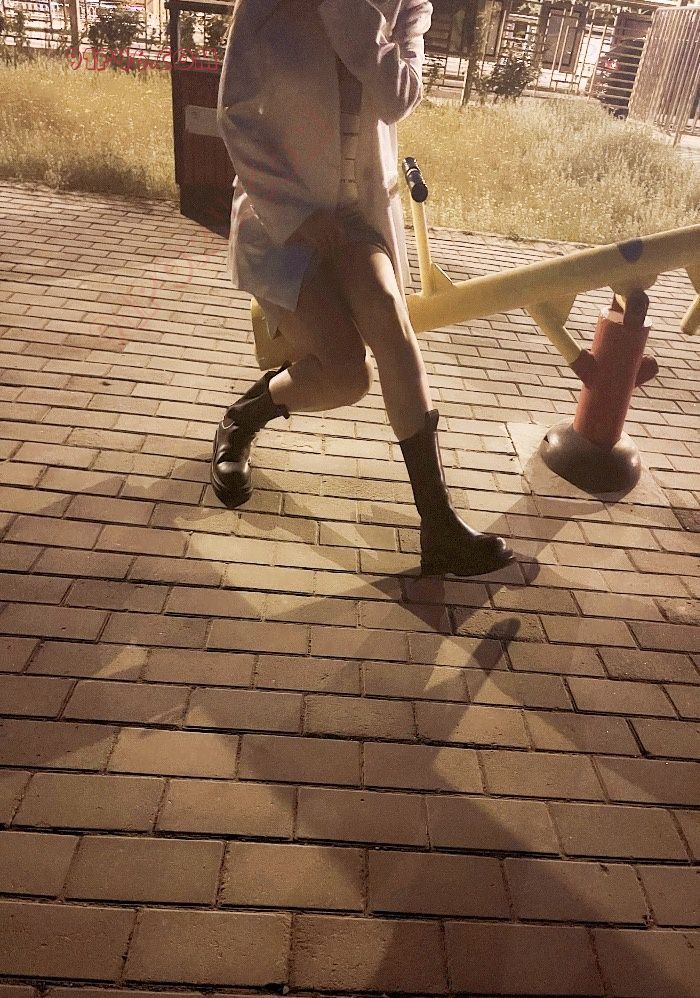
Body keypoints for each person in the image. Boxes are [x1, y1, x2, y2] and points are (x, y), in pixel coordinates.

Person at [214, 0, 514, 577]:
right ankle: (244, 417)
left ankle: (439, 527)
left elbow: (398, 98)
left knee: (392, 326)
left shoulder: (405, 8)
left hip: (357, 218)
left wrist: (351, 11)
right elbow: (235, 115)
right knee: (347, 376)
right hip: (282, 218)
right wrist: (297, 216)